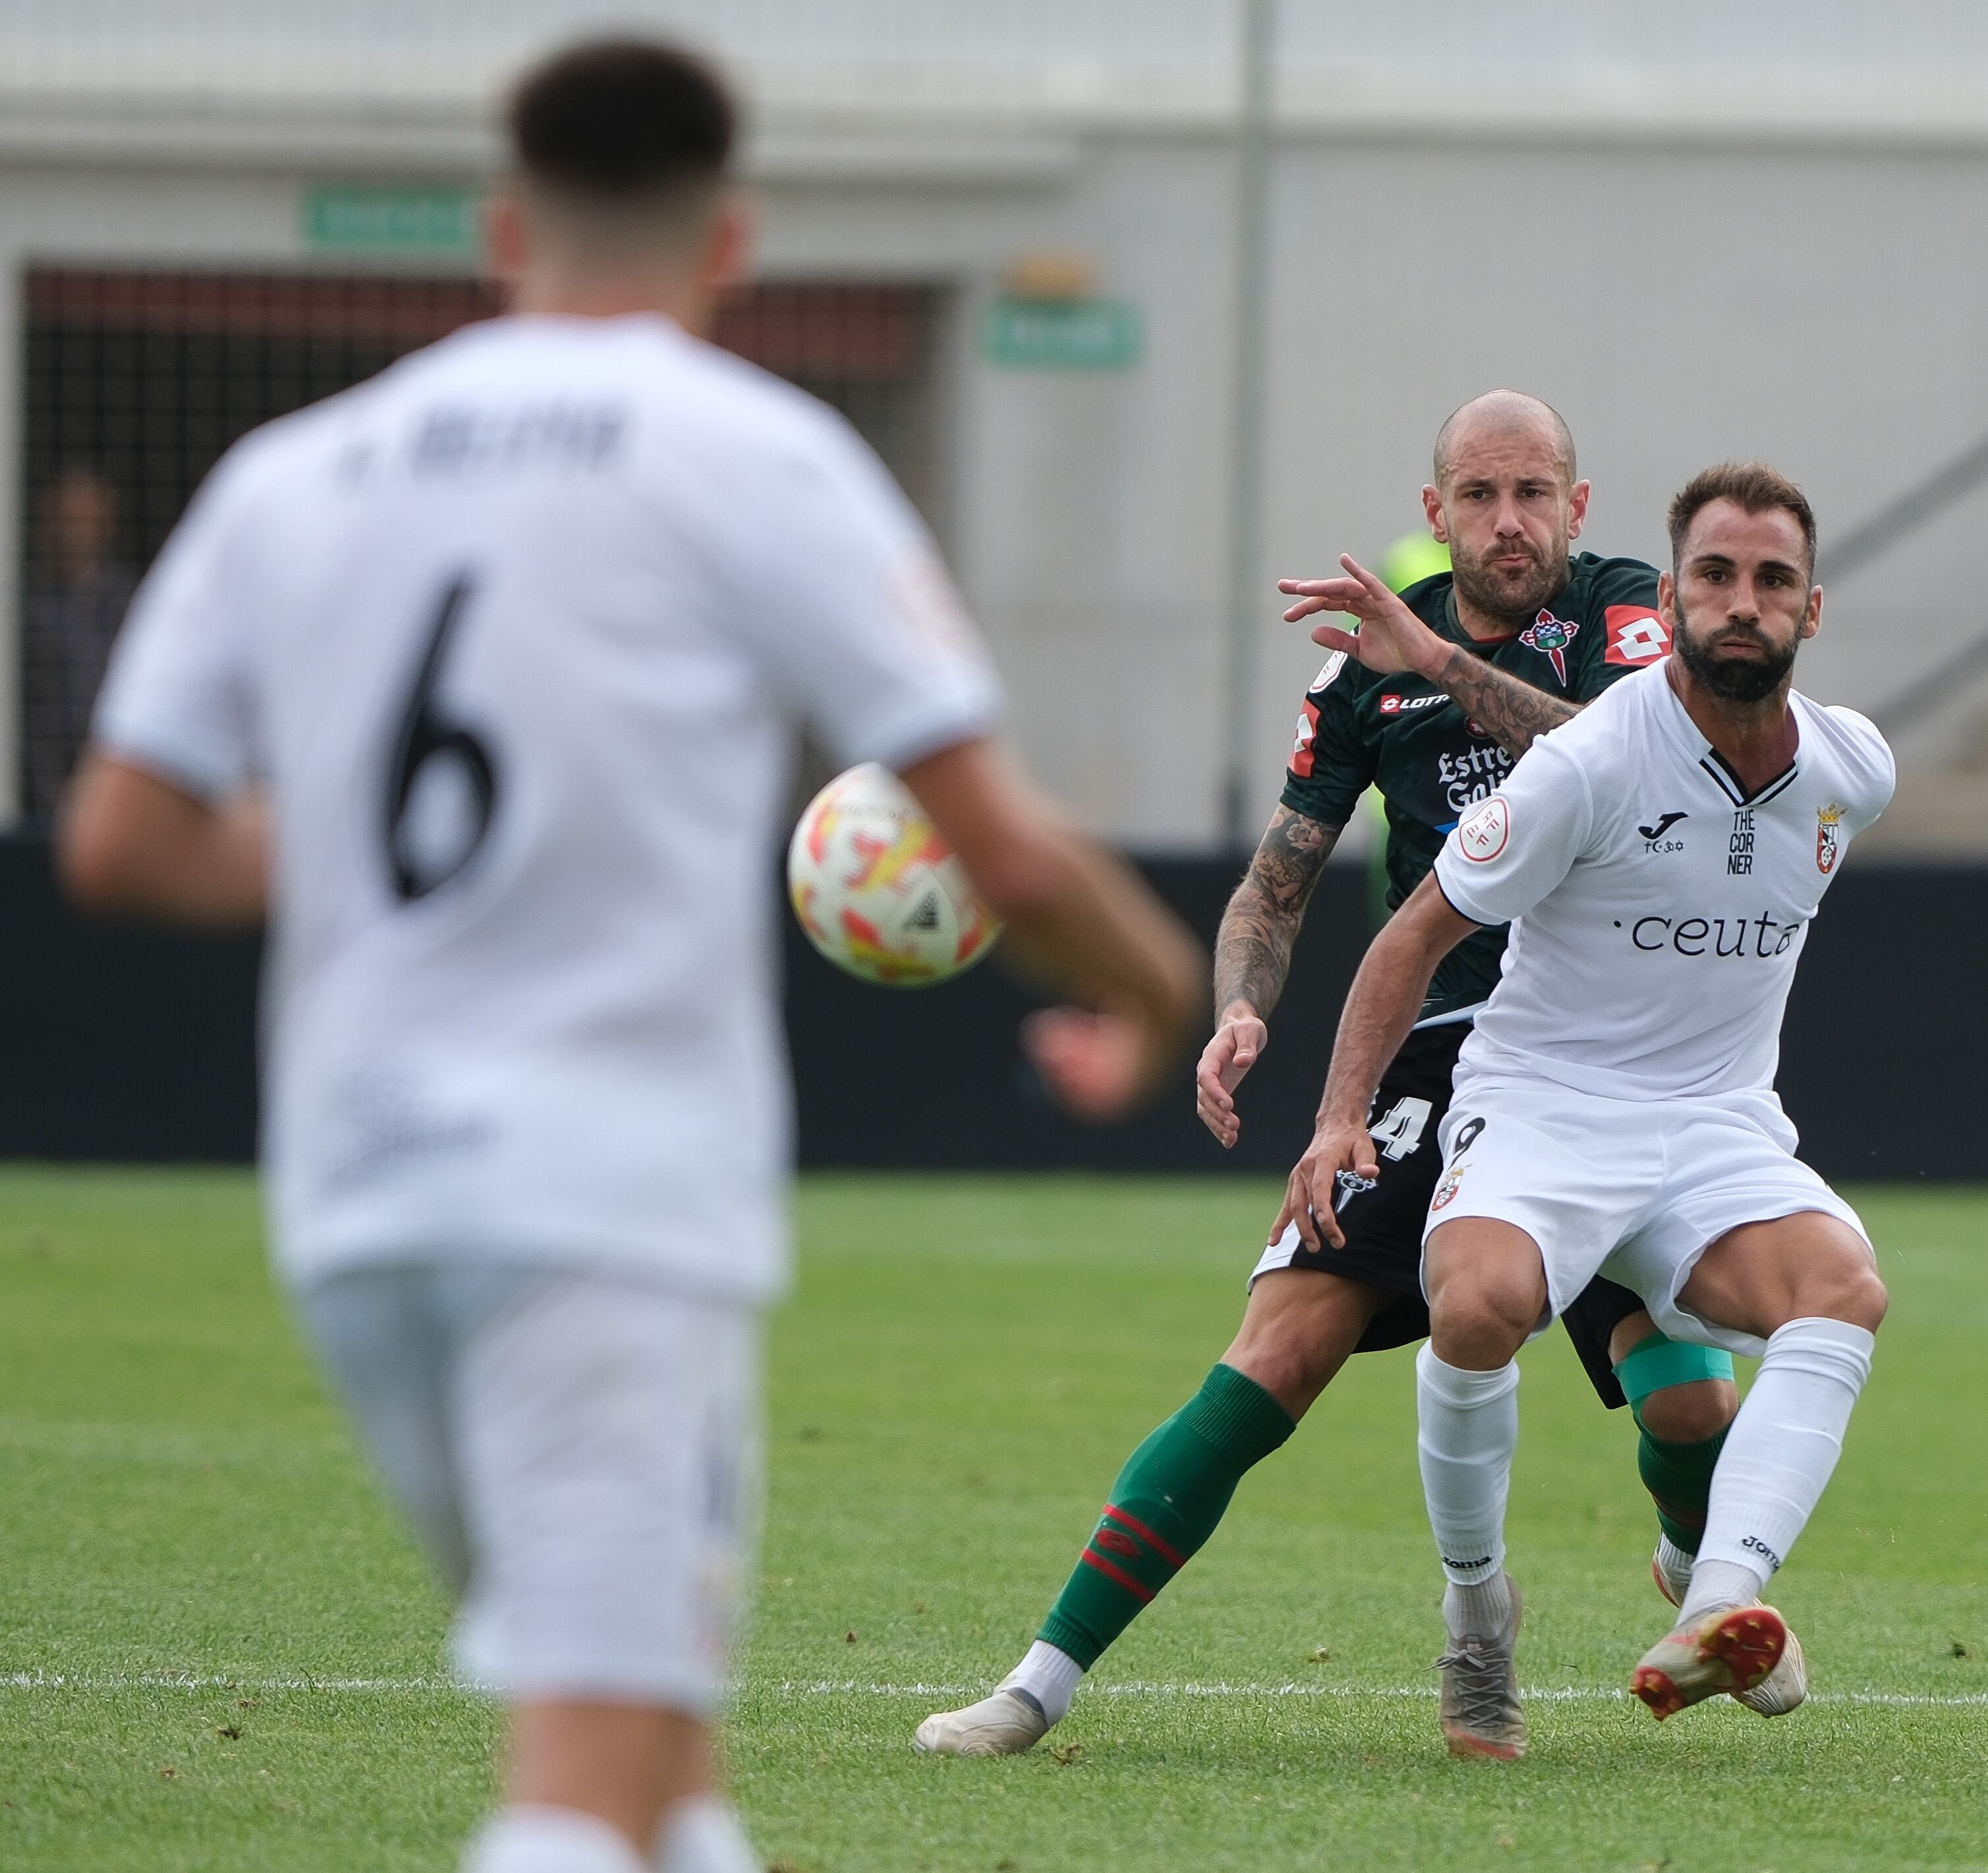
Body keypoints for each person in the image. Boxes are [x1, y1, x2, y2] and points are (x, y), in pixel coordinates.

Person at [55, 39, 1201, 1873]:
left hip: (354, 1204)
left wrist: (360, 852)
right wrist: (1160, 995)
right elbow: (992, 840)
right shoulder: (753, 451)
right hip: (597, 1204)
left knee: (659, 1776)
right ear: (726, 241)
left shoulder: (300, 469)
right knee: (581, 1785)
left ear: (502, 228)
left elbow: (121, 837)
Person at [916, 391, 1737, 1765]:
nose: (1509, 520)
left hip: (1604, 1050)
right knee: (1277, 1349)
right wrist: (1244, 1005)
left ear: (1578, 508)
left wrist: (1435, 652)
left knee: (1692, 1403)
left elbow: (1628, 764)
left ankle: (1690, 1553)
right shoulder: (1367, 669)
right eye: (1478, 495)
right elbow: (1280, 874)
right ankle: (1040, 1681)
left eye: (1533, 492)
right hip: (1432, 1045)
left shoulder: (1623, 616)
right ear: (1438, 513)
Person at [1275, 461, 1892, 1733]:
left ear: (1810, 612)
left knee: (1842, 1289)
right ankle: (1475, 1615)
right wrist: (1340, 1118)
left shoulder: (1853, 770)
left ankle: (1719, 1600)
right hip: (1545, 1104)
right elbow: (1410, 937)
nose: (1742, 602)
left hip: (1715, 1128)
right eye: (1713, 576)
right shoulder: (1588, 759)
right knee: (1478, 1305)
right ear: (1670, 599)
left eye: (1771, 580)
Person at [20, 466, 139, 820]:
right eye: (68, 519)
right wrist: (52, 789)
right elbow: (21, 711)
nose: (77, 532)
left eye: (87, 519)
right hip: (46, 798)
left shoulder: (128, 600)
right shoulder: (25, 605)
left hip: (119, 782)